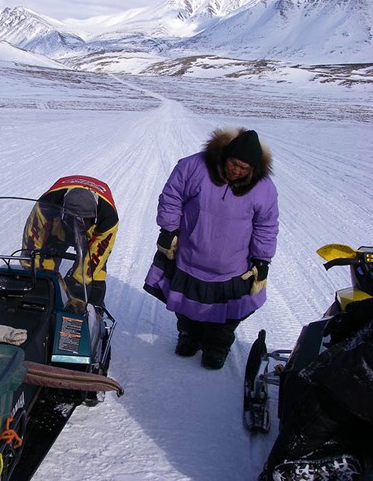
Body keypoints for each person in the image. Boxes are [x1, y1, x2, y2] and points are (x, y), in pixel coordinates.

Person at [144, 128, 279, 369]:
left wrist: (262, 259)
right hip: (189, 255)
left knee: (226, 314)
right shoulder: (193, 167)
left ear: (253, 169)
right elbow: (171, 196)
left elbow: (266, 225)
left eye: (244, 168)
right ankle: (189, 335)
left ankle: (217, 346)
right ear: (225, 155)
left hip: (232, 264)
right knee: (186, 305)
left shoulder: (264, 188)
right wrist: (169, 229)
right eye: (234, 163)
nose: (236, 171)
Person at [259, 298, 373, 480]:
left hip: (353, 382)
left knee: (289, 454)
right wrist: (354, 314)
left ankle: (277, 470)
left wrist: (353, 316)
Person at [23, 175, 118, 306]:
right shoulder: (45, 206)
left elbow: (98, 255)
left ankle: (95, 310)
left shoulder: (108, 219)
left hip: (89, 235)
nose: (76, 228)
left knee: (94, 275)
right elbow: (33, 243)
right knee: (43, 265)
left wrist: (76, 285)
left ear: (95, 217)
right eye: (72, 221)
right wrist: (35, 276)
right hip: (59, 227)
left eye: (82, 223)